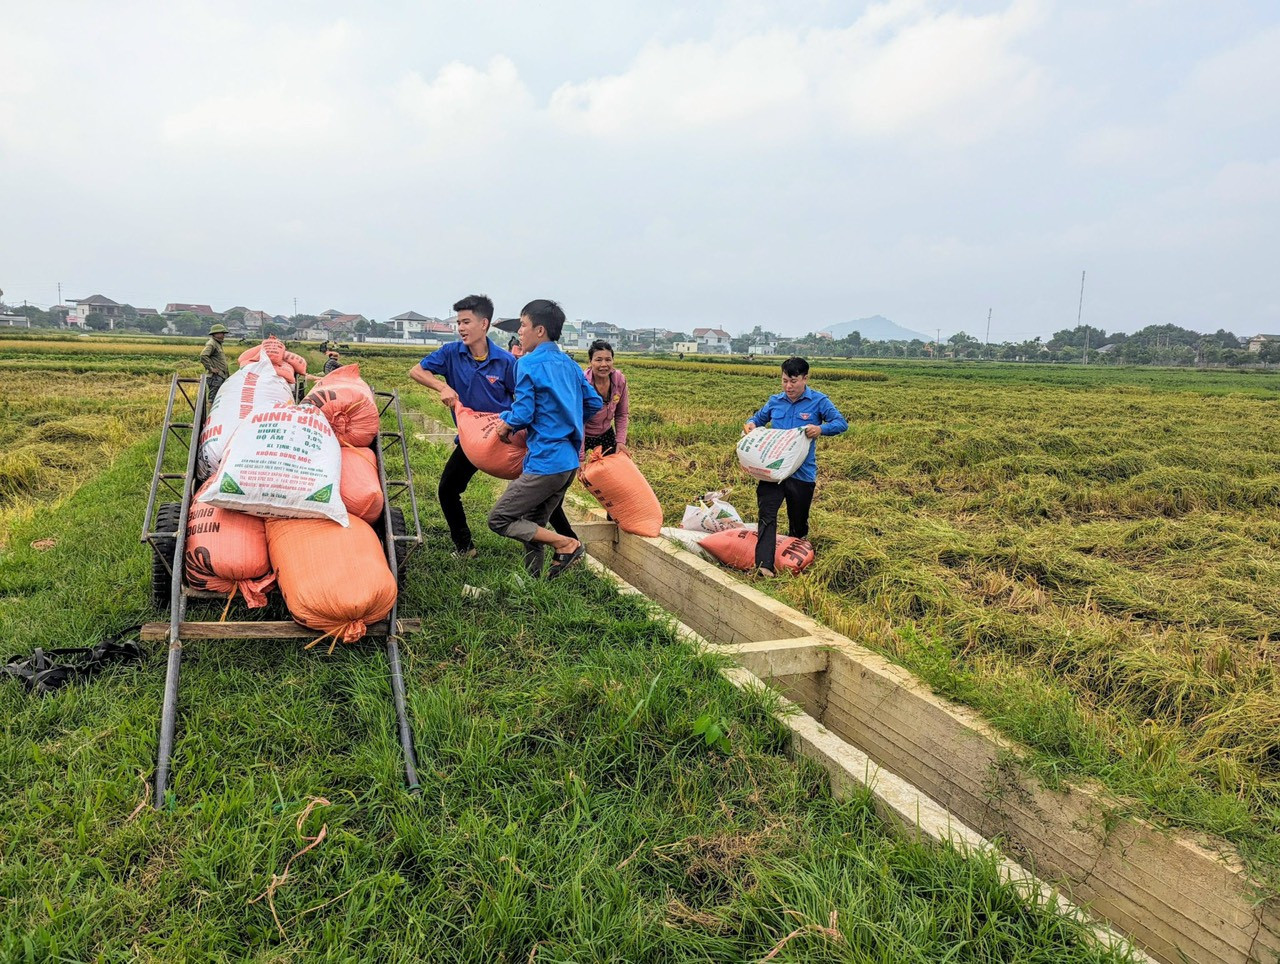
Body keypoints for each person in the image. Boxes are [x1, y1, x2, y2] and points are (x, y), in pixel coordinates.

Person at [488, 299, 602, 579]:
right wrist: (567, 418)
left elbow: (523, 412)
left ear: (540, 330)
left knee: (500, 519)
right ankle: (533, 582)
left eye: (523, 325)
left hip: (546, 461)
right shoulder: (570, 365)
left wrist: (506, 424)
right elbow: (594, 403)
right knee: (534, 523)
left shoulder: (527, 363)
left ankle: (566, 544)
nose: (520, 332)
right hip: (568, 463)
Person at [408, 295, 517, 558]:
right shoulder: (450, 353)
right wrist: (442, 386)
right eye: (459, 323)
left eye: (466, 322)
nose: (461, 328)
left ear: (484, 324)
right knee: (448, 489)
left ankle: (565, 542)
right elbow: (416, 371)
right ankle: (465, 547)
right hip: (472, 441)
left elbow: (522, 399)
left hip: (504, 438)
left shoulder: (506, 361)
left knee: (537, 486)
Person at [743, 357, 847, 578]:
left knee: (798, 522)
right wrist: (751, 424)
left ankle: (794, 563)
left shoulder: (819, 401)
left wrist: (820, 429)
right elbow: (757, 419)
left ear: (805, 378)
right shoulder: (775, 401)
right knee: (767, 515)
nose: (788, 386)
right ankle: (764, 566)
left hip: (802, 473)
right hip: (773, 472)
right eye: (784, 381)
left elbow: (841, 423)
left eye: (793, 381)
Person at [547, 339, 630, 539]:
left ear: (613, 361)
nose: (604, 364)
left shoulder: (619, 380)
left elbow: (622, 413)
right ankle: (561, 528)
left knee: (615, 480)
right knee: (565, 480)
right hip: (578, 433)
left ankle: (614, 522)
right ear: (590, 362)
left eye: (608, 359)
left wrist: (620, 442)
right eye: (598, 360)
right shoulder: (583, 383)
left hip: (605, 433)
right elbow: (579, 420)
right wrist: (581, 456)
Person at [200, 323, 229, 403]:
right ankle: (210, 411)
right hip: (215, 377)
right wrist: (211, 368)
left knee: (218, 399)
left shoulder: (218, 344)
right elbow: (203, 355)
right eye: (222, 333)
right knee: (212, 399)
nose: (223, 335)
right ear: (216, 334)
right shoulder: (211, 344)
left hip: (220, 376)